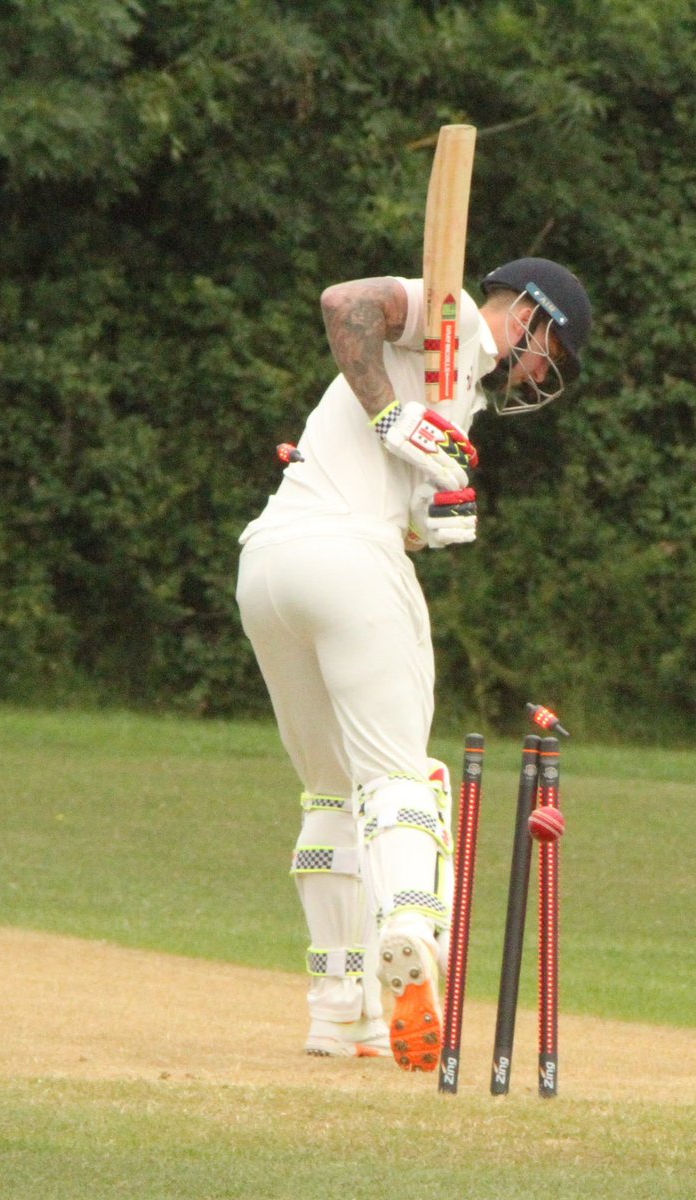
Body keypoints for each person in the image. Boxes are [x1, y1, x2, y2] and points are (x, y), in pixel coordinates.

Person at [235, 258, 591, 1068]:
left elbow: (393, 490)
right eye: (552, 354)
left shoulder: (458, 390)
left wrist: (432, 515)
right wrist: (391, 415)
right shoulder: (451, 317)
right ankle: (408, 930)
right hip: (347, 559)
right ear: (528, 316)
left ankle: (340, 1012)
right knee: (400, 775)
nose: (543, 376)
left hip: (267, 565)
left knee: (330, 789)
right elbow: (343, 303)